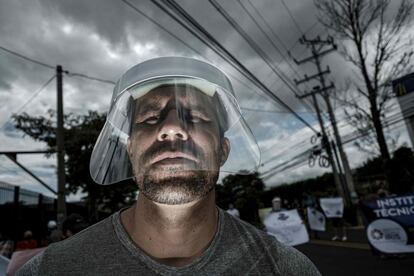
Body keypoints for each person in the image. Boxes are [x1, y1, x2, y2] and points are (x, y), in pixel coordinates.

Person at [17, 57, 320, 275]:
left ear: (223, 150)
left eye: (198, 117)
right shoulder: (52, 269)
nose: (172, 128)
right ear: (130, 150)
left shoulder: (286, 268)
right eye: (150, 117)